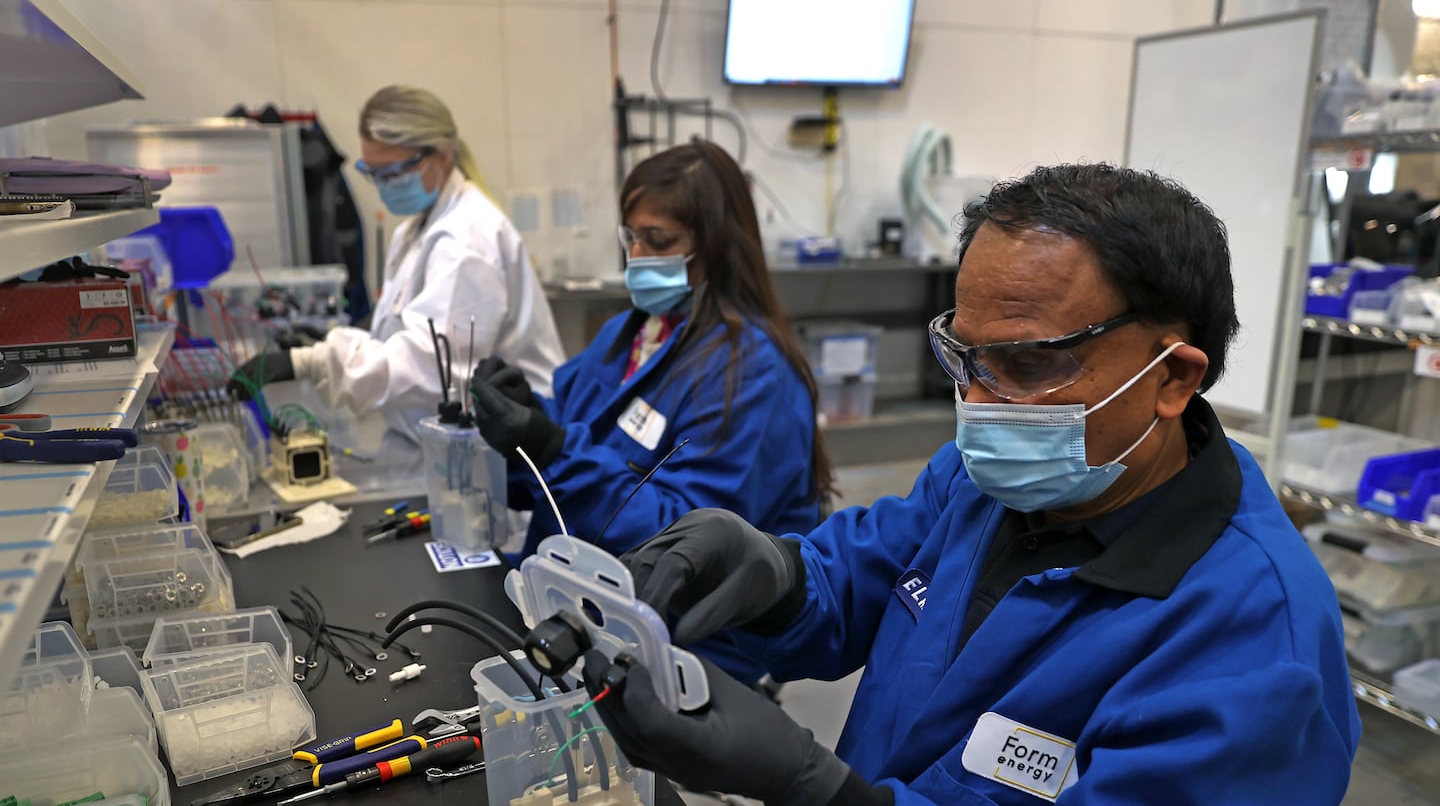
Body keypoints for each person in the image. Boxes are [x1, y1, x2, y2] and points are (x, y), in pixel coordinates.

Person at [577, 163, 1362, 805]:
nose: (978, 407)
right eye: (965, 359)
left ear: (1173, 380)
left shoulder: (1255, 644)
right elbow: (855, 574)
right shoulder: (984, 482)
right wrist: (775, 573)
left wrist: (816, 792)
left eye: (1026, 364)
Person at [467, 140, 834, 559]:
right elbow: (566, 447)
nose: (636, 257)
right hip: (570, 581)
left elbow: (690, 544)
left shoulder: (751, 373)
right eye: (630, 237)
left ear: (716, 247)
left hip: (673, 613)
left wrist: (551, 450)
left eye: (657, 240)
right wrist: (523, 424)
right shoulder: (625, 335)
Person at [228, 85, 564, 442]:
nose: (383, 186)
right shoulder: (414, 230)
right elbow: (403, 332)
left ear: (442, 155)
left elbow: (431, 368)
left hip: (510, 449)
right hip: (437, 438)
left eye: (394, 173)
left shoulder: (466, 241)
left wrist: (312, 362)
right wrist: (335, 340)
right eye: (372, 173)